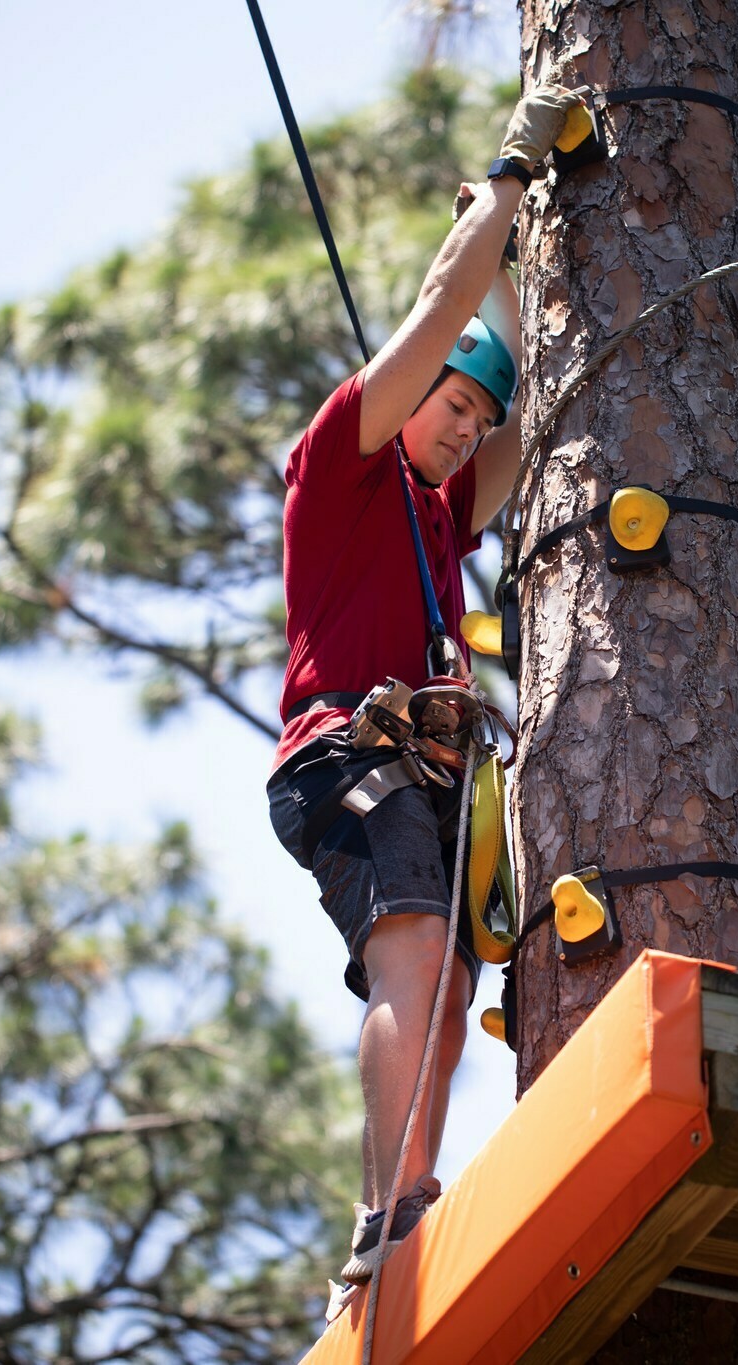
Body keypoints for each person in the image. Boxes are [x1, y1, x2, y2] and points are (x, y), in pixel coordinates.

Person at [263, 83, 583, 1302]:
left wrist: (518, 289)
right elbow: (442, 309)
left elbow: (532, 409)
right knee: (417, 964)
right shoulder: (342, 455)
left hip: (418, 773)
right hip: (349, 753)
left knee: (446, 983)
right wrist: (504, 183)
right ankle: (390, 1207)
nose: (463, 432)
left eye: (472, 416)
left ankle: (391, 1216)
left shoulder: (438, 521)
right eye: (451, 405)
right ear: (408, 394)